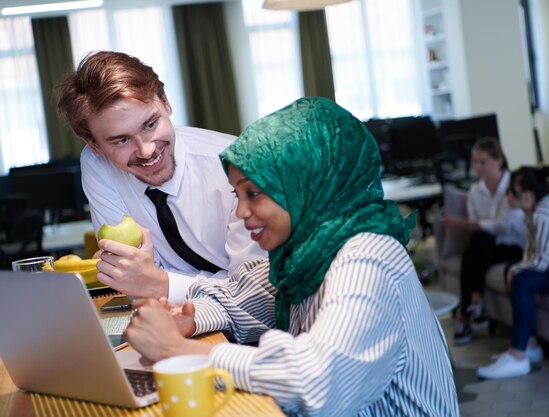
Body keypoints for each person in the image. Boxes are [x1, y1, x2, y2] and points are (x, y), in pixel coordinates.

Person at [125, 97, 460, 416]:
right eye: (237, 194)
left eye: (253, 194)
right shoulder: (307, 251)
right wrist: (192, 316)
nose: (241, 211)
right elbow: (251, 296)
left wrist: (178, 350)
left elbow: (317, 383)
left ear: (306, 184)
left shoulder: (369, 256)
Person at [56, 51, 265, 303]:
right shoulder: (98, 165)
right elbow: (131, 277)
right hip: (171, 317)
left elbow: (253, 292)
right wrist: (149, 281)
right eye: (121, 140)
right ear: (94, 144)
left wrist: (160, 282)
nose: (146, 150)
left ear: (165, 102)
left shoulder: (237, 166)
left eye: (150, 124)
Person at [477, 166, 549, 379]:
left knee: (522, 279)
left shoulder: (546, 214)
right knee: (513, 271)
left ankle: (518, 356)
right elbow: (530, 255)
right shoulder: (534, 212)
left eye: (510, 192)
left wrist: (516, 271)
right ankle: (529, 345)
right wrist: (514, 269)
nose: (507, 196)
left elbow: (540, 263)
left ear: (526, 195)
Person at [442, 137, 525, 345]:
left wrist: (477, 224)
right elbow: (480, 226)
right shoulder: (474, 192)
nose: (477, 167)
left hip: (514, 246)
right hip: (487, 247)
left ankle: (465, 317)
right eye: (475, 162)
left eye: (483, 161)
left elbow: (505, 225)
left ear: (499, 161)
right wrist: (477, 226)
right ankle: (476, 301)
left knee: (476, 244)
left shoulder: (513, 186)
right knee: (477, 244)